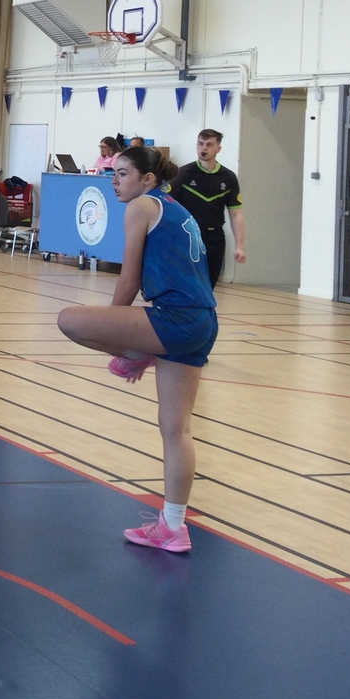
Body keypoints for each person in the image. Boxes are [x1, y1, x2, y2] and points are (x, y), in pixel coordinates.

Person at [55, 145, 217, 553]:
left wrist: (121, 336)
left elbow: (129, 278)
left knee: (69, 319)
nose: (114, 180)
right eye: (113, 172)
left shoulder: (141, 206)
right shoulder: (173, 207)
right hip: (203, 321)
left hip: (174, 318)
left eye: (123, 173)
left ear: (147, 179)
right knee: (176, 430)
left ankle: (136, 353)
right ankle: (173, 527)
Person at [172, 128, 245, 289]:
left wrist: (239, 245)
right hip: (187, 235)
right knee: (186, 284)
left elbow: (235, 213)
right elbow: (169, 208)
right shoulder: (183, 173)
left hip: (214, 237)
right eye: (200, 144)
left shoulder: (228, 177)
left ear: (218, 148)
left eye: (209, 144)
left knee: (209, 284)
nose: (204, 148)